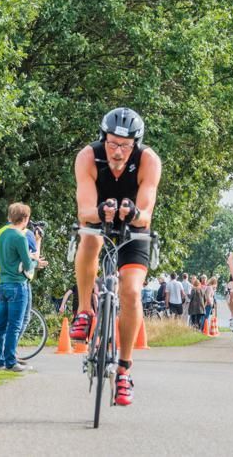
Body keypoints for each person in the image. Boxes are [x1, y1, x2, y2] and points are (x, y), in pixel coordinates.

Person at [71, 107, 162, 406]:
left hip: (134, 226)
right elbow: (84, 207)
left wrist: (134, 212)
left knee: (132, 292)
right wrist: (99, 212)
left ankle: (124, 369)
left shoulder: (149, 160)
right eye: (112, 143)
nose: (118, 151)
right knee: (88, 237)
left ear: (135, 144)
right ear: (103, 138)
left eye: (125, 146)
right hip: (99, 216)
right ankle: (85, 310)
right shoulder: (88, 156)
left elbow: (147, 210)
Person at [0, 203, 47, 372]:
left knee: (1, 324)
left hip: (3, 284)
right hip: (17, 284)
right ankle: (10, 361)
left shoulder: (1, 236)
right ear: (26, 218)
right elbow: (28, 265)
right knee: (15, 325)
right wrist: (37, 261)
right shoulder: (20, 237)